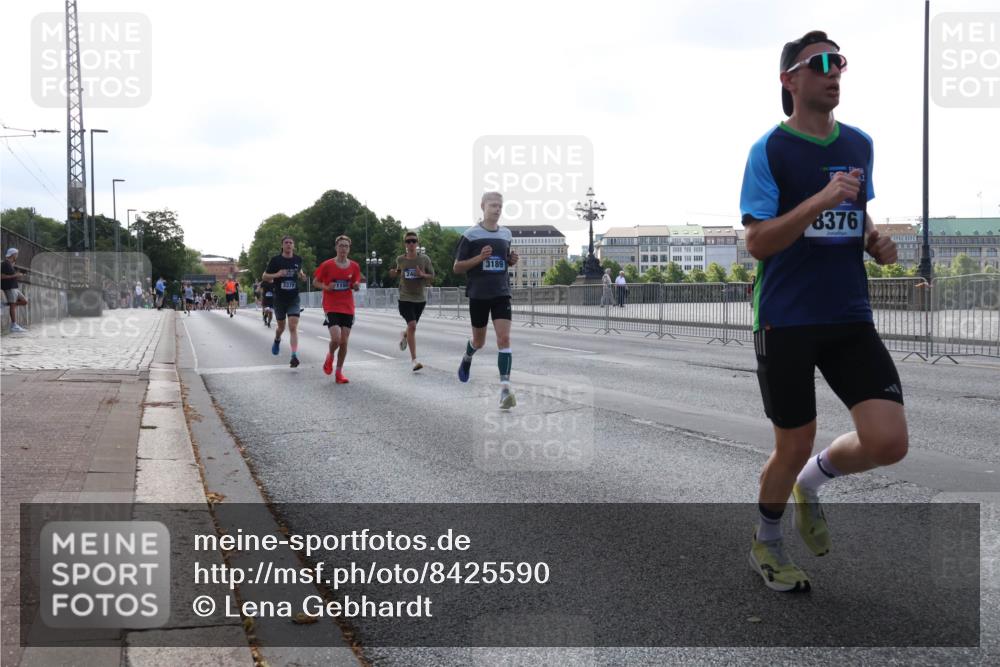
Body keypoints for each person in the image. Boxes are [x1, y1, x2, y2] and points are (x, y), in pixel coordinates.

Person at [740, 30, 904, 593]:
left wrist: (874, 241)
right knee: (793, 443)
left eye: (840, 62)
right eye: (821, 62)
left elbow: (856, 215)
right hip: (785, 317)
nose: (834, 71)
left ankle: (810, 484)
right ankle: (766, 541)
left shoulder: (859, 144)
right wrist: (819, 200)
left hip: (849, 315)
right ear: (789, 79)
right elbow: (758, 242)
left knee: (888, 441)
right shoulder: (770, 150)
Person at [453, 192, 520, 410]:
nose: (497, 209)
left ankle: (505, 390)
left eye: (500, 206)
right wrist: (479, 258)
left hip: (501, 293)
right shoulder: (470, 235)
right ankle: (468, 355)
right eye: (493, 205)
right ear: (483, 206)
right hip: (479, 294)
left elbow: (503, 260)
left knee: (504, 338)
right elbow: (457, 267)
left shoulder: (506, 234)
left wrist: (510, 260)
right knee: (479, 342)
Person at [313, 235, 362, 383]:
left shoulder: (354, 266)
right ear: (336, 247)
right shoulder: (327, 265)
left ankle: (339, 373)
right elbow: (315, 282)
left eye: (346, 246)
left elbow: (355, 283)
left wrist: (356, 286)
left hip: (347, 307)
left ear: (349, 249)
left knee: (344, 342)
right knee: (336, 339)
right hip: (331, 306)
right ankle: (330, 355)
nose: (343, 249)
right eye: (341, 245)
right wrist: (326, 287)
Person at [389, 230, 435, 372]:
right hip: (405, 298)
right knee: (413, 325)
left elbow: (432, 276)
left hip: (420, 299)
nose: (411, 244)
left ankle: (405, 334)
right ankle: (414, 360)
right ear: (405, 244)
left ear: (417, 243)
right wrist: (393, 273)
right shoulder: (400, 259)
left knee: (411, 328)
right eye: (408, 241)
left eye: (413, 241)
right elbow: (398, 271)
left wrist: (422, 274)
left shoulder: (424, 259)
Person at [262, 236, 308, 367]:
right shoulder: (275, 260)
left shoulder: (298, 259)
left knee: (293, 326)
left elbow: (300, 272)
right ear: (282, 245)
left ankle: (294, 355)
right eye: (286, 243)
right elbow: (264, 276)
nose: (288, 245)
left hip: (293, 298)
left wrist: (302, 276)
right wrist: (277, 275)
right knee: (281, 327)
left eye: (291, 243)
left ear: (293, 245)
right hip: (279, 299)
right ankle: (277, 339)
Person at [2, 248, 29, 332]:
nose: (17, 256)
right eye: (16, 254)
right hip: (9, 287)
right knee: (13, 305)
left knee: (24, 301)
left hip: (15, 288)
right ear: (13, 255)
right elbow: (1, 276)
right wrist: (15, 275)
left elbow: (11, 275)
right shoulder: (5, 263)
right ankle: (14, 326)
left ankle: (6, 304)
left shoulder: (10, 264)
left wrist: (18, 275)